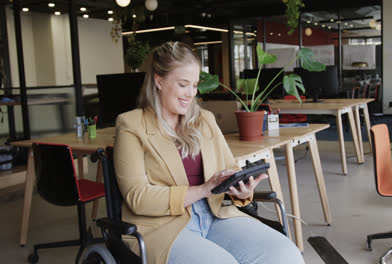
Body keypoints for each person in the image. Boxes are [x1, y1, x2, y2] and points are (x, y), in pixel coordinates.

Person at [114, 41, 305, 264]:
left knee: (285, 255)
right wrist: (202, 190)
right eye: (183, 84)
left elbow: (229, 168)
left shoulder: (204, 120)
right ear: (159, 80)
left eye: (194, 85)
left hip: (214, 215)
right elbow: (138, 198)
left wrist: (240, 192)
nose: (191, 93)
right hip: (162, 227)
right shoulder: (131, 125)